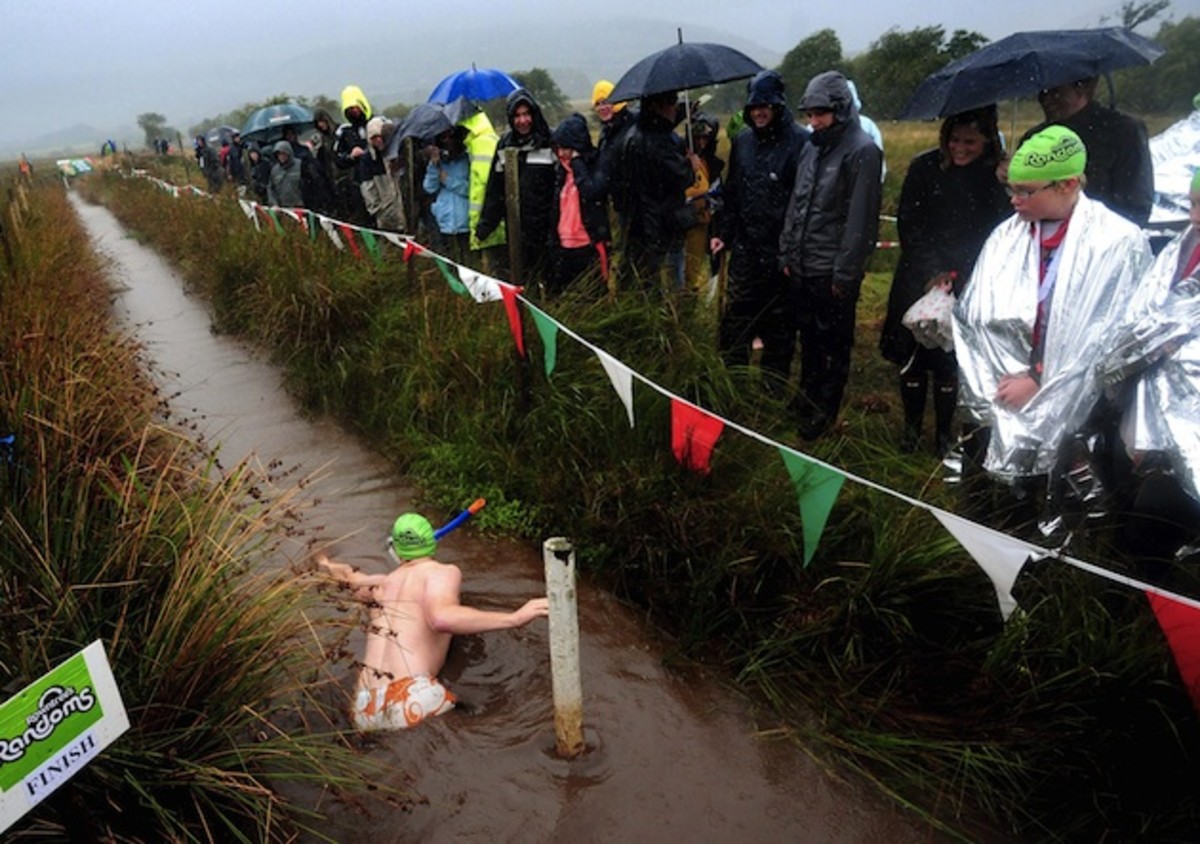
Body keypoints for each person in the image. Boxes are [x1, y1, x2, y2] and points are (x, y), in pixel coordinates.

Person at [953, 126, 1152, 529]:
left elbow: (1106, 334)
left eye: (1027, 191)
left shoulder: (1116, 242)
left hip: (1071, 393)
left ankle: (1049, 559)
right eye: (1012, 188)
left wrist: (1041, 378)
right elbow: (978, 308)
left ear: (1068, 184)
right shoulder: (1008, 234)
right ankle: (986, 543)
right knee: (989, 481)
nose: (1014, 199)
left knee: (1056, 490)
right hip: (1000, 383)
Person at [314, 513, 548, 731]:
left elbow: (345, 576)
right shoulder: (440, 572)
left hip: (364, 706)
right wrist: (513, 618)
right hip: (413, 695)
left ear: (396, 551)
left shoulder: (377, 586)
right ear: (431, 543)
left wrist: (324, 561)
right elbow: (442, 617)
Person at [879, 107, 1010, 456]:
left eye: (970, 141)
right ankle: (910, 429)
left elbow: (1000, 230)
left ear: (988, 141)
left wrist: (1007, 183)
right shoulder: (924, 168)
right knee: (915, 356)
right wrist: (932, 272)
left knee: (950, 361)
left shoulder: (994, 177)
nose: (960, 148)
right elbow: (910, 222)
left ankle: (943, 434)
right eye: (954, 139)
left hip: (971, 278)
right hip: (919, 277)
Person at [1096, 169, 1200, 567]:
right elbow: (1143, 314)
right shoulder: (1179, 249)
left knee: (1155, 520)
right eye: (1191, 204)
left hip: (1188, 421)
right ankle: (1132, 607)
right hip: (1148, 407)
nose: (1194, 216)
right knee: (1128, 512)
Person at [778, 71, 883, 439]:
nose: (813, 121)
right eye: (809, 113)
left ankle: (825, 411)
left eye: (820, 113)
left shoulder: (862, 151)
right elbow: (798, 203)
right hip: (804, 263)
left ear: (839, 109)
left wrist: (846, 274)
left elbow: (861, 220)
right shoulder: (811, 147)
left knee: (834, 344)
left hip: (833, 270)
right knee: (808, 338)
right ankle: (806, 397)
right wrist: (788, 252)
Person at [712, 69, 807, 387]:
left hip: (782, 252)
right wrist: (722, 233)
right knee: (737, 320)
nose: (758, 112)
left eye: (764, 106)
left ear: (778, 106)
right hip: (745, 250)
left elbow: (803, 200)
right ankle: (733, 383)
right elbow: (732, 192)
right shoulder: (743, 142)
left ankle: (772, 388)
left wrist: (792, 250)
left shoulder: (801, 142)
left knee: (779, 325)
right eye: (753, 107)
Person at [1023, 77, 1154, 227]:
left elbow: (1136, 204)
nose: (1046, 99)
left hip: (1106, 238)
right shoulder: (1034, 139)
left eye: (1055, 91)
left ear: (1083, 87)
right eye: (1042, 92)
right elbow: (1022, 204)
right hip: (1043, 240)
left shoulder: (1122, 131)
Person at [611, 89, 699, 292]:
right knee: (667, 286)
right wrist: (690, 166)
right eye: (670, 101)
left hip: (639, 225)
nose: (674, 106)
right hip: (662, 224)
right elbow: (680, 178)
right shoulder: (659, 140)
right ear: (655, 106)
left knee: (643, 283)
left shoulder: (632, 135)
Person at [475, 88, 557, 285]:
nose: (523, 121)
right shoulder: (505, 145)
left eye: (527, 114)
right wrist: (486, 224)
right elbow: (495, 189)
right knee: (523, 280)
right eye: (518, 116)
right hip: (517, 227)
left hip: (547, 227)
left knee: (550, 279)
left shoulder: (549, 141)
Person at [547, 113, 610, 297]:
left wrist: (577, 163)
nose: (561, 153)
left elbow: (591, 192)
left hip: (589, 245)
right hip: (564, 247)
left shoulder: (596, 164)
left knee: (592, 297)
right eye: (558, 148)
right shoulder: (560, 172)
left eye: (565, 148)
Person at [681, 112, 723, 293]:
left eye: (706, 138)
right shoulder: (678, 156)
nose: (701, 143)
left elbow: (718, 193)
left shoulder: (711, 163)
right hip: (679, 221)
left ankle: (690, 304)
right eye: (698, 138)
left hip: (701, 222)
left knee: (693, 272)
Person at [423, 127, 471, 262]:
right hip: (444, 222)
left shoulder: (466, 160)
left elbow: (471, 189)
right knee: (448, 264)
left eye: (451, 137)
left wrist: (448, 181)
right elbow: (429, 188)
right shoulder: (439, 163)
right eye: (444, 138)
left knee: (467, 264)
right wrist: (433, 164)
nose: (448, 141)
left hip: (465, 222)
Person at [334, 84, 377, 226]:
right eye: (350, 109)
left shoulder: (375, 124)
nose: (354, 111)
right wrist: (351, 156)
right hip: (358, 179)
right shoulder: (345, 132)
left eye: (356, 107)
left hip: (379, 176)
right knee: (364, 216)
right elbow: (338, 159)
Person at [362, 117, 405, 231]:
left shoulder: (399, 153)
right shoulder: (368, 159)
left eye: (379, 136)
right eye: (373, 138)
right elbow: (368, 189)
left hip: (406, 213)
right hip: (386, 217)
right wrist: (378, 211)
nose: (378, 140)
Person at [267, 140, 304, 208]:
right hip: (283, 208)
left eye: (284, 153)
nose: (281, 156)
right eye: (279, 154)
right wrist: (274, 203)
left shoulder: (300, 165)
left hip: (300, 206)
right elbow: (271, 188)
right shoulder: (275, 170)